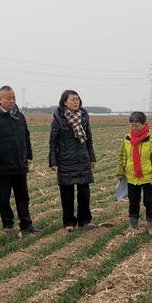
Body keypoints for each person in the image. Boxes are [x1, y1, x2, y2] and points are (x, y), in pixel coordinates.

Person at [0, 86, 38, 234]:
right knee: (4, 197)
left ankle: (26, 224)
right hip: (2, 166)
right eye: (8, 98)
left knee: (23, 196)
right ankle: (8, 224)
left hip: (20, 164)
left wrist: (28, 156)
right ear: (0, 99)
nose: (12, 100)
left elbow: (26, 137)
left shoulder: (20, 117)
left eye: (13, 98)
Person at [49, 90, 97, 232]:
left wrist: (92, 157)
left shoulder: (83, 117)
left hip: (82, 159)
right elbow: (53, 143)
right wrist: (53, 162)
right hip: (65, 160)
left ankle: (85, 220)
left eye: (78, 99)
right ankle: (69, 222)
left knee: (84, 193)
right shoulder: (58, 119)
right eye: (73, 99)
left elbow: (89, 139)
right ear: (65, 102)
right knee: (67, 194)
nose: (76, 102)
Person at [116, 111, 152, 237]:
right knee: (133, 201)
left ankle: (150, 227)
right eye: (132, 125)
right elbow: (123, 156)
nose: (134, 128)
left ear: (144, 124)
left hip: (148, 177)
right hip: (132, 177)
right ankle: (133, 225)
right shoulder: (127, 138)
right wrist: (120, 172)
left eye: (136, 125)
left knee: (149, 202)